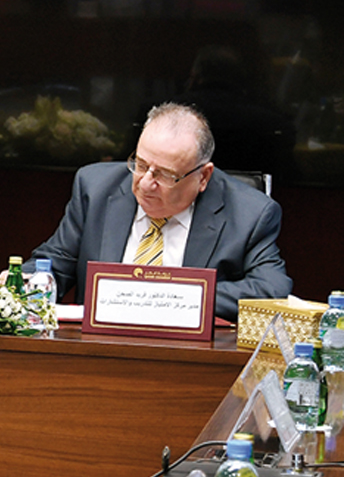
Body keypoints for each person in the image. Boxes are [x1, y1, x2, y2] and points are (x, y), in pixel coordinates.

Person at [25, 102, 292, 322]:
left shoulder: (250, 214)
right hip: (97, 355)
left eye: (164, 175)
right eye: (140, 164)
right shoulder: (96, 189)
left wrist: (169, 298)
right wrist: (18, 284)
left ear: (203, 177)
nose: (144, 183)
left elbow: (271, 290)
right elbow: (53, 264)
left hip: (189, 362)